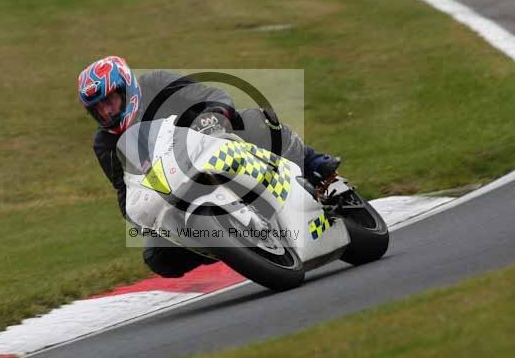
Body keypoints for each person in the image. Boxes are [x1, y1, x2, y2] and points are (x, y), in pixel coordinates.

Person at [78, 56, 340, 278]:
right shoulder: (105, 143)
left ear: (127, 89)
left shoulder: (156, 83)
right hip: (174, 188)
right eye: (98, 109)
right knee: (157, 256)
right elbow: (124, 189)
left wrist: (214, 114)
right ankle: (228, 245)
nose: (106, 112)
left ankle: (315, 166)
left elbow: (210, 95)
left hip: (209, 142)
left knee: (254, 121)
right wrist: (139, 214)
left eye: (109, 101)